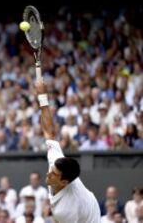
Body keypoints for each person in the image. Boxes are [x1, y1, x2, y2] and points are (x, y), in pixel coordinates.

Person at [35, 80, 100, 223]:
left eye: (53, 174)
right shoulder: (57, 162)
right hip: (87, 203)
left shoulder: (64, 211)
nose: (48, 173)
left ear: (64, 182)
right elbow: (49, 132)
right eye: (52, 170)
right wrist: (42, 96)